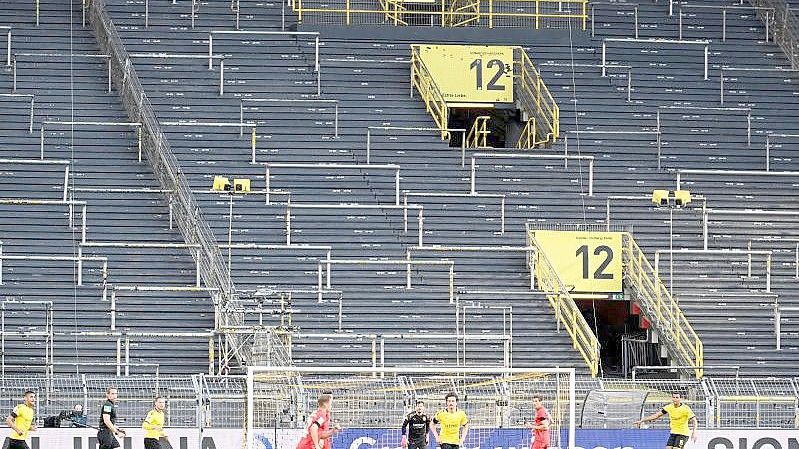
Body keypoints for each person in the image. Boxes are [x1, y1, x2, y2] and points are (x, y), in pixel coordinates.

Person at [633, 392, 698, 449]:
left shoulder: (685, 408)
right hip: (673, 433)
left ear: (680, 399)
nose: (675, 399)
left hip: (683, 434)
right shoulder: (669, 407)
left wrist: (694, 432)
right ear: (672, 398)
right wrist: (642, 420)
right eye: (674, 397)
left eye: (677, 397)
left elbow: (694, 420)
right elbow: (656, 415)